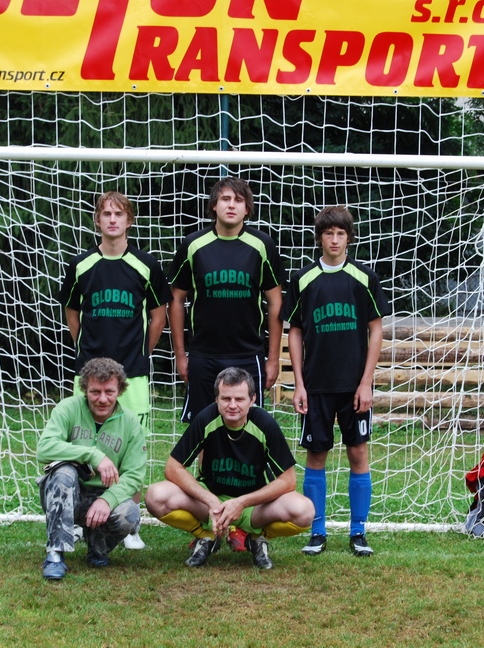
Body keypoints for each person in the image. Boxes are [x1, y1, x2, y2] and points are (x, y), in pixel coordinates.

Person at [60, 191, 171, 549]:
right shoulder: (81, 265)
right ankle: (80, 519)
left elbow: (158, 316)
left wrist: (142, 352)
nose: (112, 219)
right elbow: (72, 313)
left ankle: (130, 524)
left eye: (118, 214)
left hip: (132, 372)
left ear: (129, 221)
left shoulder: (146, 264)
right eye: (106, 213)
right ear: (97, 220)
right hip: (88, 372)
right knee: (81, 443)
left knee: (132, 446)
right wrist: (84, 349)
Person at [282, 206, 390, 557]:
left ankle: (358, 531)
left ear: (349, 238)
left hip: (353, 385)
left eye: (340, 234)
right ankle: (317, 531)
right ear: (319, 238)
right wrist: (299, 383)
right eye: (328, 233)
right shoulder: (302, 279)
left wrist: (366, 382)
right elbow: (295, 331)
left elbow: (376, 330)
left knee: (358, 452)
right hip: (316, 385)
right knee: (316, 454)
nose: (334, 239)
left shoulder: (364, 278)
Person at [145, 367, 314, 570]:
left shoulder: (264, 423)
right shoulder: (206, 419)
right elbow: (173, 468)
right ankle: (207, 536)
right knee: (156, 496)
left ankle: (255, 539)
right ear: (216, 399)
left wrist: (242, 502)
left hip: (253, 506)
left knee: (304, 511)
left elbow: (288, 481)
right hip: (212, 503)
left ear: (252, 399)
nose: (232, 405)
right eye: (226, 399)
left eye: (239, 399)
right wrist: (210, 500)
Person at [167, 177, 284, 423]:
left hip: (248, 355)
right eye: (225, 199)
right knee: (202, 430)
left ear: (247, 209)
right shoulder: (193, 244)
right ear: (214, 205)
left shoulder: (262, 245)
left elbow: (275, 303)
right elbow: (176, 300)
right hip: (203, 355)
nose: (231, 205)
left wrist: (273, 359)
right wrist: (181, 355)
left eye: (238, 200)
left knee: (249, 429)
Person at [36, 357, 147, 580]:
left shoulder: (131, 423)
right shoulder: (68, 408)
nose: (102, 399)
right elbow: (44, 449)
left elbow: (135, 475)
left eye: (109, 392)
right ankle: (55, 554)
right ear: (84, 389)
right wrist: (93, 454)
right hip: (68, 491)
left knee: (130, 514)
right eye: (95, 392)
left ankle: (97, 547)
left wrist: (108, 500)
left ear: (120, 390)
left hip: (103, 494)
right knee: (64, 473)